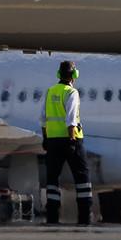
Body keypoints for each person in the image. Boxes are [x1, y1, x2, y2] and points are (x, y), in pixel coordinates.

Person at [41, 60, 94, 225]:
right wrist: (72, 139)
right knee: (82, 177)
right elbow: (71, 119)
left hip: (52, 141)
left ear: (59, 74)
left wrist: (46, 139)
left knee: (52, 179)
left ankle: (52, 215)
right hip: (71, 140)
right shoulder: (71, 92)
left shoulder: (50, 92)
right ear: (74, 75)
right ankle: (85, 216)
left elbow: (43, 119)